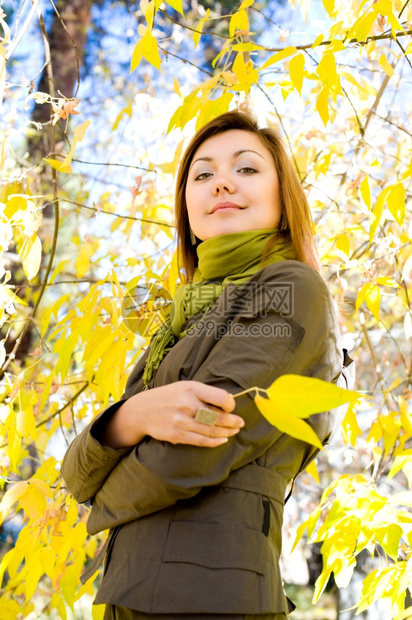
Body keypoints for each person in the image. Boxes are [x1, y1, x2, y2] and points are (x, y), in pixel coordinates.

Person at [61, 109, 345, 620]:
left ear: (284, 202)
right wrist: (133, 417)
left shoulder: (292, 290)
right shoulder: (182, 320)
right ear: (187, 208)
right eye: (203, 174)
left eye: (247, 169)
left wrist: (100, 499)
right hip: (129, 596)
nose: (222, 184)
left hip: (212, 599)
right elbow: (74, 474)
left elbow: (193, 450)